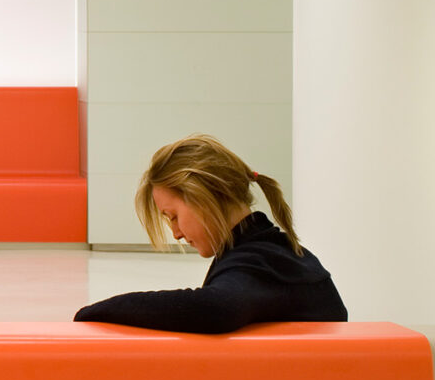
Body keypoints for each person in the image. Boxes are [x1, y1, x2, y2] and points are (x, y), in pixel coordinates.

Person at [76, 135, 348, 333]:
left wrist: (98, 311)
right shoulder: (272, 252)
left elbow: (216, 309)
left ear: (204, 199)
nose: (176, 234)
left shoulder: (262, 261)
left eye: (174, 216)